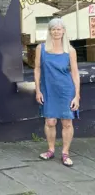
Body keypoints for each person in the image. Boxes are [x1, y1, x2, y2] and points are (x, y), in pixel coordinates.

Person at [35, 18, 80, 167]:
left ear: (63, 31)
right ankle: (51, 149)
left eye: (59, 29)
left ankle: (65, 153)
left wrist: (77, 95)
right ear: (49, 31)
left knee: (67, 122)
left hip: (66, 90)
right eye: (53, 29)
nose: (56, 32)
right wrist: (38, 90)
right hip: (48, 89)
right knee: (50, 121)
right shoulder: (41, 49)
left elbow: (75, 73)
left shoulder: (70, 50)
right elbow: (37, 69)